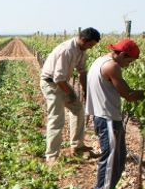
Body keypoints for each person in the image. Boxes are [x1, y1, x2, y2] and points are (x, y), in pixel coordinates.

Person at [85, 39, 145, 189]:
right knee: (111, 158)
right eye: (129, 60)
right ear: (122, 54)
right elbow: (128, 95)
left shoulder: (100, 60)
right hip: (108, 118)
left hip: (104, 116)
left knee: (119, 158)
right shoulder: (112, 67)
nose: (129, 64)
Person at [40, 27, 101, 165]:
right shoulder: (67, 50)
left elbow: (82, 72)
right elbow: (58, 79)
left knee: (78, 109)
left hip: (62, 83)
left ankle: (77, 146)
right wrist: (70, 93)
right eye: (91, 45)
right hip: (51, 84)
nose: (91, 48)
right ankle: (52, 157)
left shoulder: (81, 50)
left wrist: (86, 90)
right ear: (84, 40)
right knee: (57, 119)